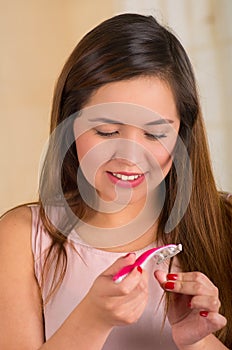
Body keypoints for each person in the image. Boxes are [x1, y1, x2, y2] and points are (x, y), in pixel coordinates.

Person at [0, 13, 231, 350]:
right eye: (107, 131)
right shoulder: (23, 239)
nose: (130, 155)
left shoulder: (224, 225)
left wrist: (197, 340)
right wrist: (92, 320)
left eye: (154, 133)